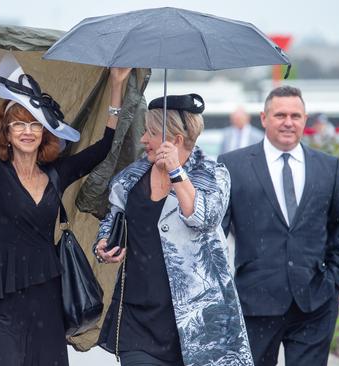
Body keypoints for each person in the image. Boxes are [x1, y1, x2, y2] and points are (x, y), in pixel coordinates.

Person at [0, 52, 131, 366]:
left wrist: (117, 84)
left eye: (35, 125)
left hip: (46, 298)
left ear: (45, 133)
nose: (27, 131)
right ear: (6, 132)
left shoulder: (57, 174)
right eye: (18, 124)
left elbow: (104, 147)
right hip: (1, 299)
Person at [93, 94, 253, 366]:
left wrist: (177, 171)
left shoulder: (213, 174)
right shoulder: (131, 178)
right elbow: (113, 218)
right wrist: (103, 242)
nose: (143, 139)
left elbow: (204, 219)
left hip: (196, 322)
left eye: (151, 133)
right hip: (138, 317)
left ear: (176, 140)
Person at [218, 86, 339, 366]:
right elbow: (216, 232)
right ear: (264, 118)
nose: (288, 122)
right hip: (254, 301)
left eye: (295, 115)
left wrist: (335, 280)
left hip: (315, 302)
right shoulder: (233, 165)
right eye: (280, 115)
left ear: (305, 119)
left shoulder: (328, 167)